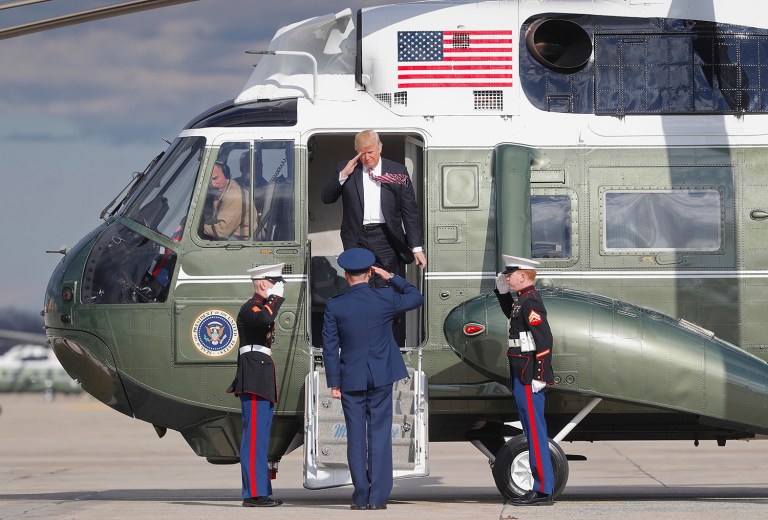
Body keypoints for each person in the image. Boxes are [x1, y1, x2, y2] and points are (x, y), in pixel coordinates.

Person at [321, 248, 424, 510]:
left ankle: (360, 496)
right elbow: (416, 297)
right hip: (381, 375)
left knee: (355, 437)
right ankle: (377, 498)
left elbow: (330, 347)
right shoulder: (386, 297)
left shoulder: (335, 305)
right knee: (379, 435)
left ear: (346, 276)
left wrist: (334, 382)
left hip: (351, 378)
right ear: (370, 272)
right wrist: (391, 277)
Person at [321, 130, 426, 285]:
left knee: (389, 286)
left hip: (387, 237)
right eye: (361, 153)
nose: (367, 157)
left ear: (380, 148)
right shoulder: (347, 169)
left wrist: (416, 247)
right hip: (358, 238)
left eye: (370, 152)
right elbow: (327, 198)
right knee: (362, 287)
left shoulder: (397, 171)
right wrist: (343, 175)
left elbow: (409, 211)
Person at [494, 255, 556, 506]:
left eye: (510, 275)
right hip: (521, 375)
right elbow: (511, 312)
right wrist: (500, 292)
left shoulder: (531, 302)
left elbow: (545, 341)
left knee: (536, 434)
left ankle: (542, 489)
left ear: (523, 276)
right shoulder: (522, 302)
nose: (507, 278)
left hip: (529, 377)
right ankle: (541, 487)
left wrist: (540, 376)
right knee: (531, 433)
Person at [226, 263, 286, 507]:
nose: (279, 288)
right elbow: (265, 319)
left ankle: (261, 491)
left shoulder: (260, 306)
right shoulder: (251, 307)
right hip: (253, 376)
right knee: (253, 439)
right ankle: (252, 494)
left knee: (260, 438)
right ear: (263, 284)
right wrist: (275, 299)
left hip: (260, 376)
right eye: (275, 283)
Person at [200, 160, 250, 240]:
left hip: (240, 241)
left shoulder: (235, 196)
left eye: (216, 178)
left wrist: (199, 228)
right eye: (209, 181)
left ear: (226, 174)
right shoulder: (221, 191)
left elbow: (222, 232)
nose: (213, 184)